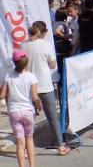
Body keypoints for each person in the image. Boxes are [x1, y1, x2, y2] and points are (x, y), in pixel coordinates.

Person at [21, 22, 70, 156]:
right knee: (53, 118)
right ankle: (61, 146)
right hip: (45, 85)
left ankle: (25, 149)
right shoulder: (46, 45)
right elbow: (52, 65)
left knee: (28, 120)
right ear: (43, 32)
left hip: (29, 87)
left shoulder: (23, 45)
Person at [1, 49, 43, 167]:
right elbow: (34, 97)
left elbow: (2, 95)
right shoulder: (31, 77)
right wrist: (39, 105)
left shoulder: (8, 76)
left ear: (14, 63)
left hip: (14, 112)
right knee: (29, 139)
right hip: (28, 112)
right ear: (26, 62)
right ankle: (32, 165)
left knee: (20, 142)